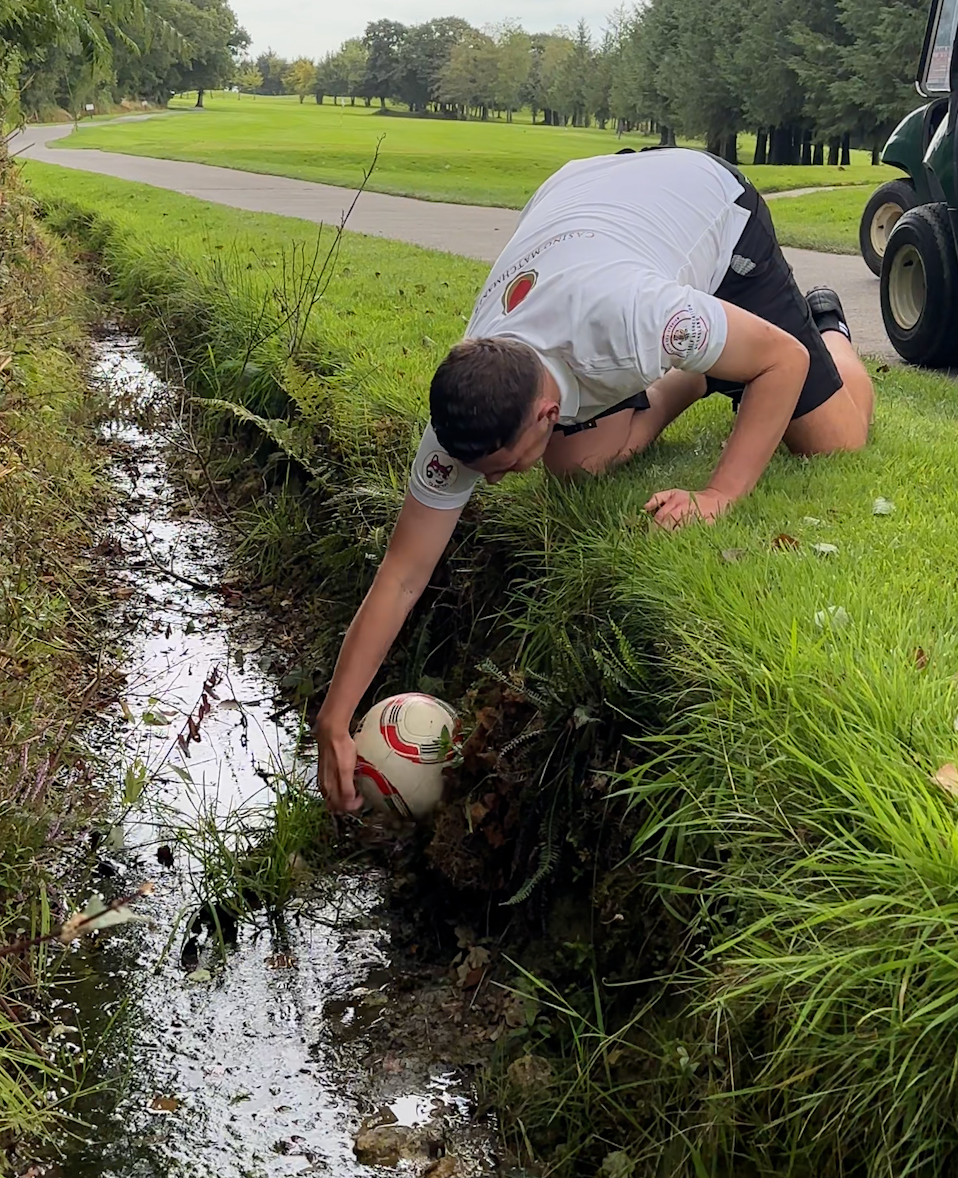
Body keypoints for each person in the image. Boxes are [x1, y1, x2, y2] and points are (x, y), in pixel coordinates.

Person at [315, 148, 874, 813]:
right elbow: (405, 571)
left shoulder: (638, 319)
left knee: (831, 437)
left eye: (500, 468)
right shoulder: (471, 399)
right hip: (585, 197)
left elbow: (781, 361)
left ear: (546, 412)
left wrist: (719, 494)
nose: (489, 485)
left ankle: (829, 328)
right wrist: (334, 714)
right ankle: (705, 370)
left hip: (707, 206)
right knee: (576, 466)